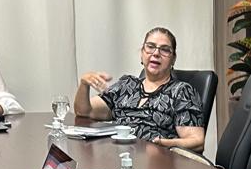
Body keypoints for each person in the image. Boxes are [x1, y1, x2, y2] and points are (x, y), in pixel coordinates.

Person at [74, 27, 205, 152]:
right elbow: (84, 111)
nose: (156, 53)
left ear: (173, 59)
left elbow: (197, 141)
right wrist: (84, 85)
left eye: (165, 50)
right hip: (119, 156)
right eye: (150, 47)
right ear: (142, 54)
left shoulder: (181, 91)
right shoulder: (126, 85)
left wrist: (163, 144)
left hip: (158, 163)